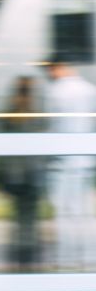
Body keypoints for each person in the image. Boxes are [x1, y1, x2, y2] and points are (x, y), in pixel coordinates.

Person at [44, 57, 96, 270]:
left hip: (64, 158)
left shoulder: (57, 91)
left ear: (58, 68)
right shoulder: (89, 89)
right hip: (84, 158)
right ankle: (89, 255)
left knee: (64, 211)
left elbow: (54, 124)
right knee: (83, 211)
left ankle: (66, 258)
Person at [0, 75, 44, 271]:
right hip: (29, 174)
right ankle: (26, 258)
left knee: (20, 219)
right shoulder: (34, 115)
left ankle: (21, 257)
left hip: (18, 174)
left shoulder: (11, 115)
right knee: (27, 220)